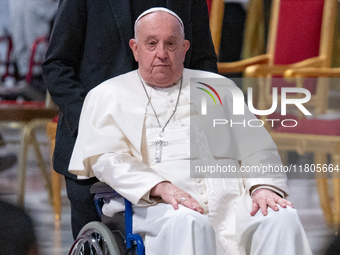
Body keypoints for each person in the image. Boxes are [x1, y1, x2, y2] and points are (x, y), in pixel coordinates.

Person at [68, 8, 312, 254]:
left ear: (185, 48)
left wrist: (263, 187)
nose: (161, 53)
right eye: (151, 44)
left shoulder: (219, 88)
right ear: (135, 48)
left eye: (171, 44)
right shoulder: (108, 95)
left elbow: (256, 148)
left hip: (234, 205)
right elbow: (109, 160)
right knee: (190, 222)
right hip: (157, 209)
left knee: (281, 218)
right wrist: (160, 187)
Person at [42, 0, 217, 239]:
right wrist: (94, 125)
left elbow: (203, 62)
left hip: (170, 150)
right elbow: (58, 66)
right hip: (96, 150)